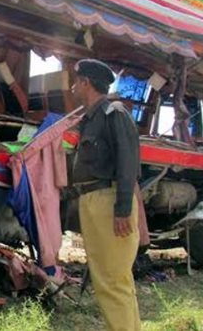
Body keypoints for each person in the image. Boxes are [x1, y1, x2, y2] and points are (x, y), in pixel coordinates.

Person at [69, 58, 141, 331]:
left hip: (107, 201)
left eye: (76, 81)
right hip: (94, 201)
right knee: (115, 281)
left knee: (111, 282)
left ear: (86, 83)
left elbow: (128, 162)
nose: (73, 86)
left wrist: (122, 208)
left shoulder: (114, 113)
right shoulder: (92, 119)